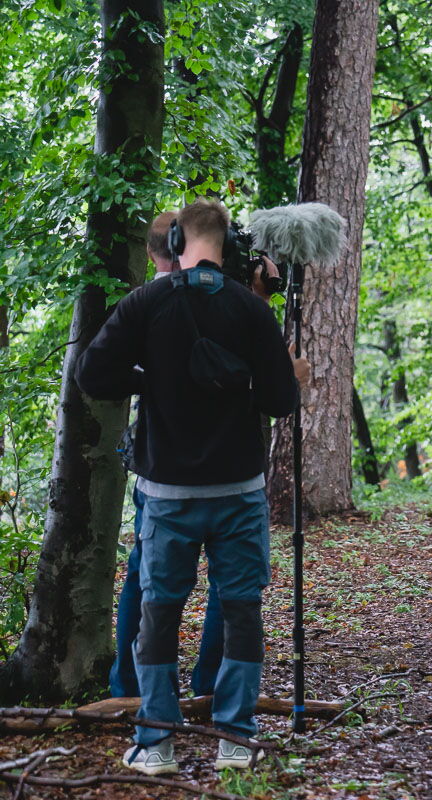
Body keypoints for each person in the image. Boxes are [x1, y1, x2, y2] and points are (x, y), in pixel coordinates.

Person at [77, 199, 302, 776]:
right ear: (226, 244)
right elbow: (280, 402)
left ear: (177, 241)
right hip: (239, 492)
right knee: (242, 608)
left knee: (160, 609)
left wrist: (151, 378)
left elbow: (92, 374)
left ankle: (156, 742)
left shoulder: (146, 304)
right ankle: (235, 738)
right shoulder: (251, 312)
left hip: (167, 495)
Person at [109, 211, 223, 700]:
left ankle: (131, 684)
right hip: (210, 465)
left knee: (145, 576)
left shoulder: (139, 305)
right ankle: (206, 687)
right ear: (178, 245)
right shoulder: (198, 301)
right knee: (220, 581)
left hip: (158, 464)